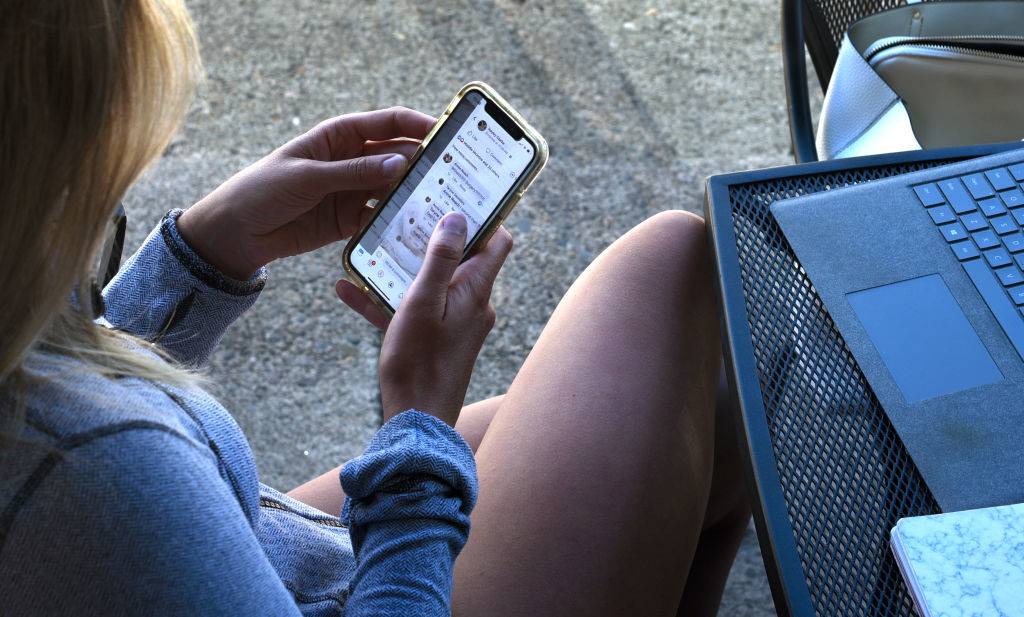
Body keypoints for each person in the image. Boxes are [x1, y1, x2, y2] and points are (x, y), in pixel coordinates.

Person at [0, 1, 750, 616]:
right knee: (670, 267)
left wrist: (204, 253)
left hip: (257, 547)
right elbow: (101, 458)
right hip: (364, 590)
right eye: (100, 194)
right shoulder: (94, 474)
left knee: (711, 412)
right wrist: (417, 424)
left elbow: (58, 362)